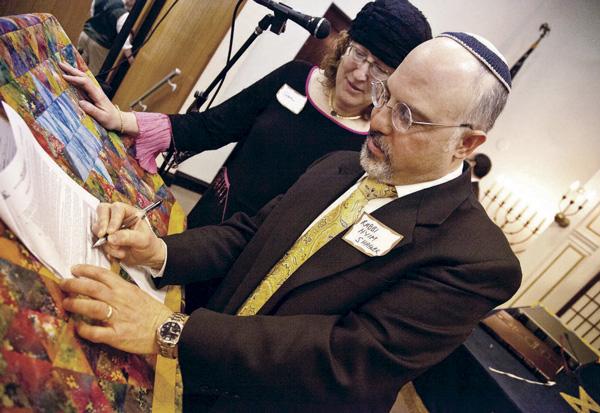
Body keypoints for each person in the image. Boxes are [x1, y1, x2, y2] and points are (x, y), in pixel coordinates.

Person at [59, 33, 522, 412]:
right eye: (386, 95)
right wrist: (159, 250)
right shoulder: (340, 165)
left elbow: (346, 358)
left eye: (407, 115)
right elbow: (250, 236)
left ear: (466, 143)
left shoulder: (474, 260)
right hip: (196, 374)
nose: (378, 119)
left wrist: (170, 330)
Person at [65, 0, 432, 229]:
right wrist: (120, 118)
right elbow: (210, 127)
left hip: (251, 270)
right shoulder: (294, 78)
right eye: (360, 53)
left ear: (395, 80)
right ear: (346, 44)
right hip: (206, 225)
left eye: (381, 67)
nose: (361, 72)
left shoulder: (373, 145)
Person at [78, 0, 136, 74]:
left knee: (76, 65)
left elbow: (93, 13)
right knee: (92, 75)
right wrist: (132, 61)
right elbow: (125, 43)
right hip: (100, 46)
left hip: (85, 34)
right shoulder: (123, 14)